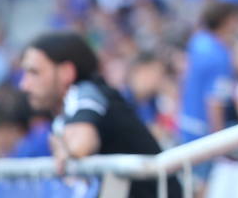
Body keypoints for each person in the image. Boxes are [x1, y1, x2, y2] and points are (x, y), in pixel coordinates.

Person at [19, 31, 181, 198]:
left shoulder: (85, 93)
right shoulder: (67, 111)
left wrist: (64, 150)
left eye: (34, 72)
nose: (24, 85)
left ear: (66, 72)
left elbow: (82, 144)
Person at [178, 1, 238, 181]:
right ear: (227, 21)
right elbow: (215, 102)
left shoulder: (197, 41)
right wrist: (220, 146)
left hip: (186, 125)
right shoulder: (219, 56)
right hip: (204, 135)